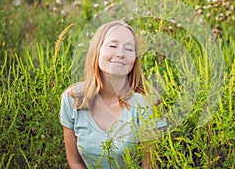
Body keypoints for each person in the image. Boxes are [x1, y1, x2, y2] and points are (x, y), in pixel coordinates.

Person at [59, 21, 166, 168]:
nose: (120, 54)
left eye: (129, 49)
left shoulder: (148, 105)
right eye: (112, 46)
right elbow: (75, 162)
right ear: (97, 51)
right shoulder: (72, 99)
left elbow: (149, 166)